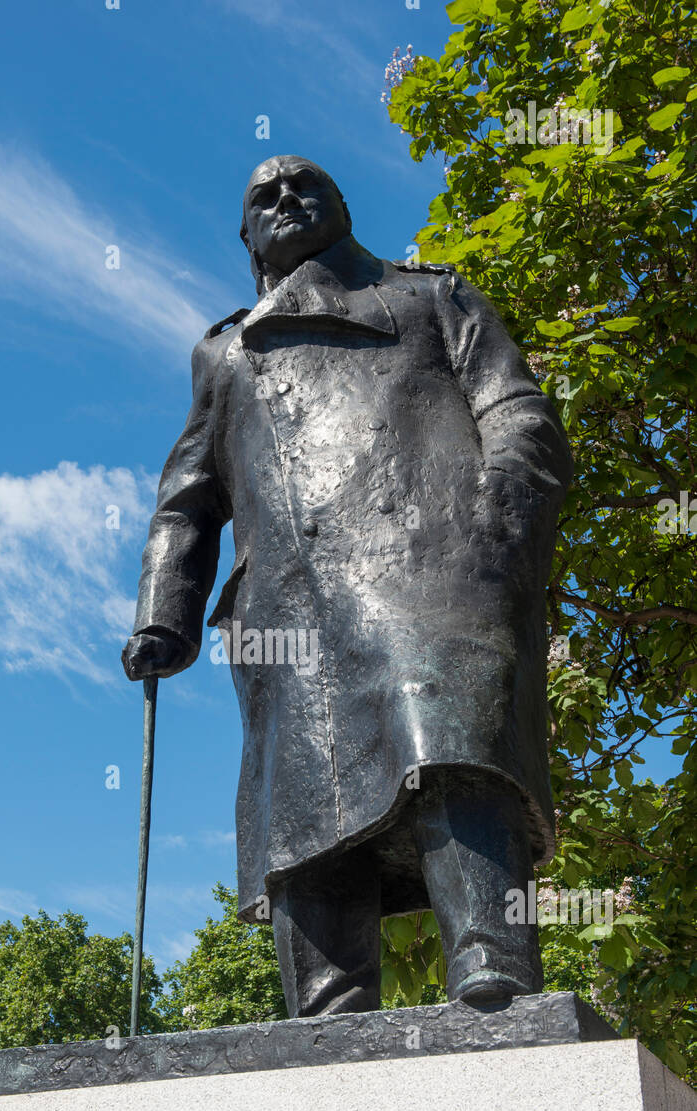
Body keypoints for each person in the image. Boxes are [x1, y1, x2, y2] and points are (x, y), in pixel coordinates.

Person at [123, 156, 573, 1016]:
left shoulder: (430, 298)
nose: (286, 200)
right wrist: (164, 615)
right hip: (285, 607)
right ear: (247, 237)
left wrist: (497, 531)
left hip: (433, 561)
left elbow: (518, 414)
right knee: (303, 810)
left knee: (449, 746)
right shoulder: (224, 352)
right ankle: (327, 1014)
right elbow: (186, 500)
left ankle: (492, 966)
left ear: (344, 208)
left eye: (307, 188)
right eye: (263, 197)